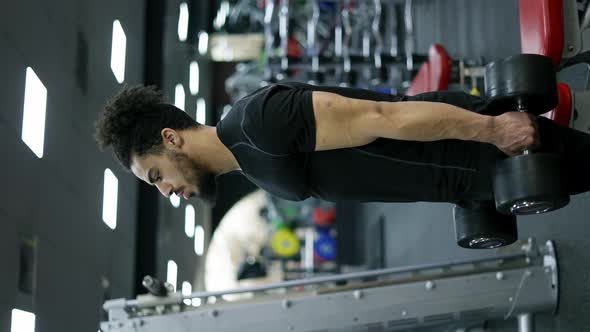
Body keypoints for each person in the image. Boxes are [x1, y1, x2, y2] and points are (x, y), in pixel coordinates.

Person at [94, 82, 590, 206]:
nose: (165, 191)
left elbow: (382, 116)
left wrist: (491, 130)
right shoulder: (246, 162)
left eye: (156, 175)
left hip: (474, 147)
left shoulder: (257, 123)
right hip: (465, 178)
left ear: (170, 137)